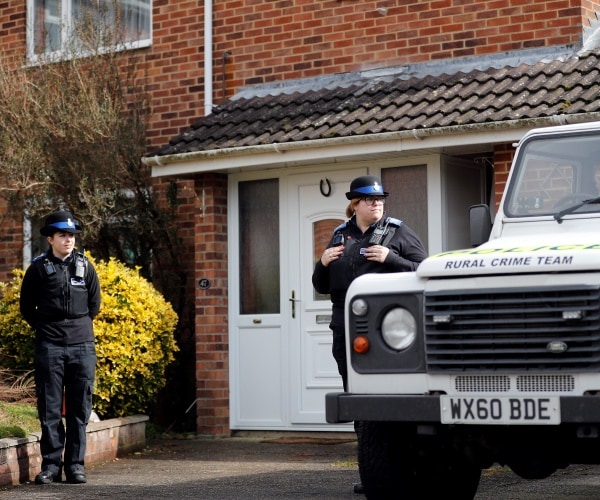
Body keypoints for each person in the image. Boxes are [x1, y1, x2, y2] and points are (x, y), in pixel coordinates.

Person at [312, 175, 427, 495]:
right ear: (355, 204)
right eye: (369, 199)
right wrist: (321, 263)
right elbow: (320, 285)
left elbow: (426, 270)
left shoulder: (398, 232)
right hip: (345, 328)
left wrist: (391, 259)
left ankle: (406, 467)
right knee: (357, 399)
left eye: (379, 199)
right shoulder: (339, 235)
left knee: (392, 397)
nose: (376, 203)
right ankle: (373, 471)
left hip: (389, 331)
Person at [20, 210, 101, 485]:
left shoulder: (85, 267)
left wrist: (76, 329)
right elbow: (26, 307)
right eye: (63, 235)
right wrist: (48, 329)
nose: (68, 240)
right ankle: (51, 466)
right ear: (51, 239)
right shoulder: (39, 268)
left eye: (71, 236)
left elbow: (94, 306)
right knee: (50, 409)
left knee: (79, 410)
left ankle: (75, 466)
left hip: (82, 346)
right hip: (50, 346)